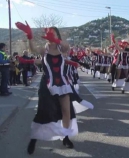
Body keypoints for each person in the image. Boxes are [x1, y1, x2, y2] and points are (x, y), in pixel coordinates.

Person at [15, 21, 80, 154]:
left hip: (63, 83)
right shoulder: (44, 49)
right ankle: (34, 138)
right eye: (48, 32)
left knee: (66, 111)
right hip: (47, 83)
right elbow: (33, 49)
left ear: (57, 35)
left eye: (53, 32)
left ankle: (65, 137)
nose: (50, 34)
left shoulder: (62, 48)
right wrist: (29, 35)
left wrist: (56, 39)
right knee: (44, 111)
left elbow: (67, 46)